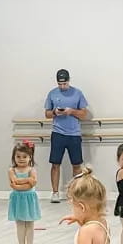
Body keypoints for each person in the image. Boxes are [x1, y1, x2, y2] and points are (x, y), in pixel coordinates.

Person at [44, 69, 88, 203]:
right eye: (60, 84)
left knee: (77, 165)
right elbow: (46, 114)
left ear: (69, 80)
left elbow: (84, 114)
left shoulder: (78, 93)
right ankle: (55, 193)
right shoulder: (52, 94)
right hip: (57, 133)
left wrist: (71, 111)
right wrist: (55, 112)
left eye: (64, 83)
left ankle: (76, 193)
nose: (62, 86)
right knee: (55, 164)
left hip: (74, 134)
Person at [7, 140, 41, 244]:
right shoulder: (11, 170)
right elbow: (14, 183)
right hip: (17, 200)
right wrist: (27, 180)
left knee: (30, 223)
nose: (21, 159)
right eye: (18, 156)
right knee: (20, 223)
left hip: (29, 199)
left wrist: (20, 183)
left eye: (24, 156)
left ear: (30, 157)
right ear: (14, 157)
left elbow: (30, 185)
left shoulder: (32, 170)